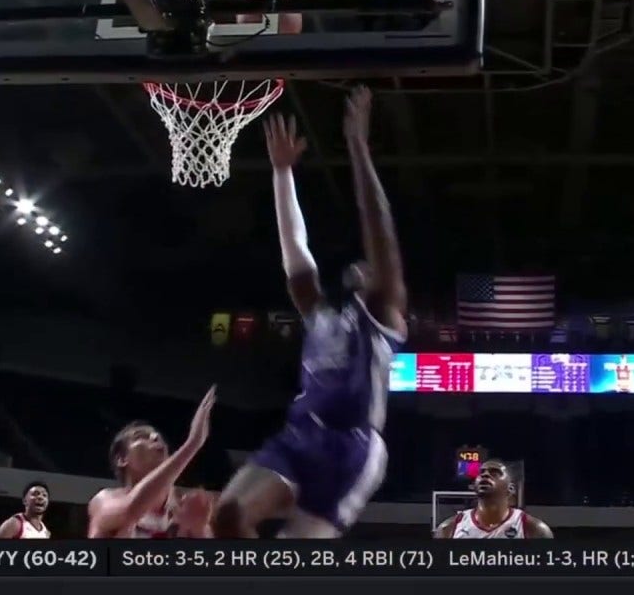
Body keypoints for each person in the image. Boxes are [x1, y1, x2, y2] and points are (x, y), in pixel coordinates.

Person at [211, 85, 407, 538]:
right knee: (227, 517)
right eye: (356, 264)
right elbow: (294, 250)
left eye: (369, 266)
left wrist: (357, 148)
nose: (363, 265)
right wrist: (282, 173)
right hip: (300, 436)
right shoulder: (319, 313)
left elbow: (380, 226)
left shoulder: (382, 314)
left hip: (351, 450)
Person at [87, 387, 217, 538]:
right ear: (122, 459)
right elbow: (131, 510)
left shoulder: (184, 512)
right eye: (141, 436)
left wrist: (199, 530)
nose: (155, 438)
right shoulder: (104, 500)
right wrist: (192, 444)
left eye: (157, 437)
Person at [434, 459, 553, 539]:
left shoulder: (534, 530)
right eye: (481, 473)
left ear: (510, 488)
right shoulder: (448, 529)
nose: (485, 475)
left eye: (495, 473)